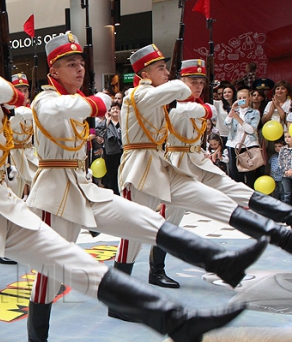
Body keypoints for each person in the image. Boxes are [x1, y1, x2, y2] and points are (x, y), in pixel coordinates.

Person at [0, 20, 248, 342]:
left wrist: (19, 101)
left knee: (74, 263)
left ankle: (176, 320)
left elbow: (2, 96)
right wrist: (16, 97)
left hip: (2, 201)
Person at [24, 37, 265, 342]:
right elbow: (61, 111)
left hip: (82, 186)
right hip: (54, 191)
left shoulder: (76, 98)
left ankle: (218, 259)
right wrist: (97, 101)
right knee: (52, 271)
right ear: (53, 70)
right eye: (70, 64)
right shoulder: (47, 100)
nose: (79, 69)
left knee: (141, 219)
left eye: (81, 63)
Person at [114, 53, 291, 289]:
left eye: (201, 82)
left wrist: (207, 107)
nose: (198, 86)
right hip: (165, 163)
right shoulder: (152, 98)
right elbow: (188, 110)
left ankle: (281, 224)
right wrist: (203, 105)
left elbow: (214, 118)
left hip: (185, 162)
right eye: (193, 82)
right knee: (154, 224)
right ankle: (142, 278)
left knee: (225, 195)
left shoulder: (170, 98)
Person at [7, 73, 37, 200]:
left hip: (29, 153)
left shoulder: (31, 108)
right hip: (14, 154)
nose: (23, 94)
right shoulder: (10, 110)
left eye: (25, 90)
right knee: (14, 192)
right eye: (19, 91)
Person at [225, 88, 261, 187]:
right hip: (233, 144)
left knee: (249, 173)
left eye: (244, 98)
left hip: (249, 144)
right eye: (239, 98)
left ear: (249, 98)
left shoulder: (255, 112)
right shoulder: (235, 111)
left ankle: (249, 197)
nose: (242, 100)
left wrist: (238, 119)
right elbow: (226, 123)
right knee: (235, 173)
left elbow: (251, 130)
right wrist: (232, 110)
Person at [280, 132, 292, 204]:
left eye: (289, 137)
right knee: (287, 193)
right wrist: (285, 171)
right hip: (286, 175)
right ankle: (287, 210)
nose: (287, 139)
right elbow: (280, 161)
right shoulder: (283, 149)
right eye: (285, 137)